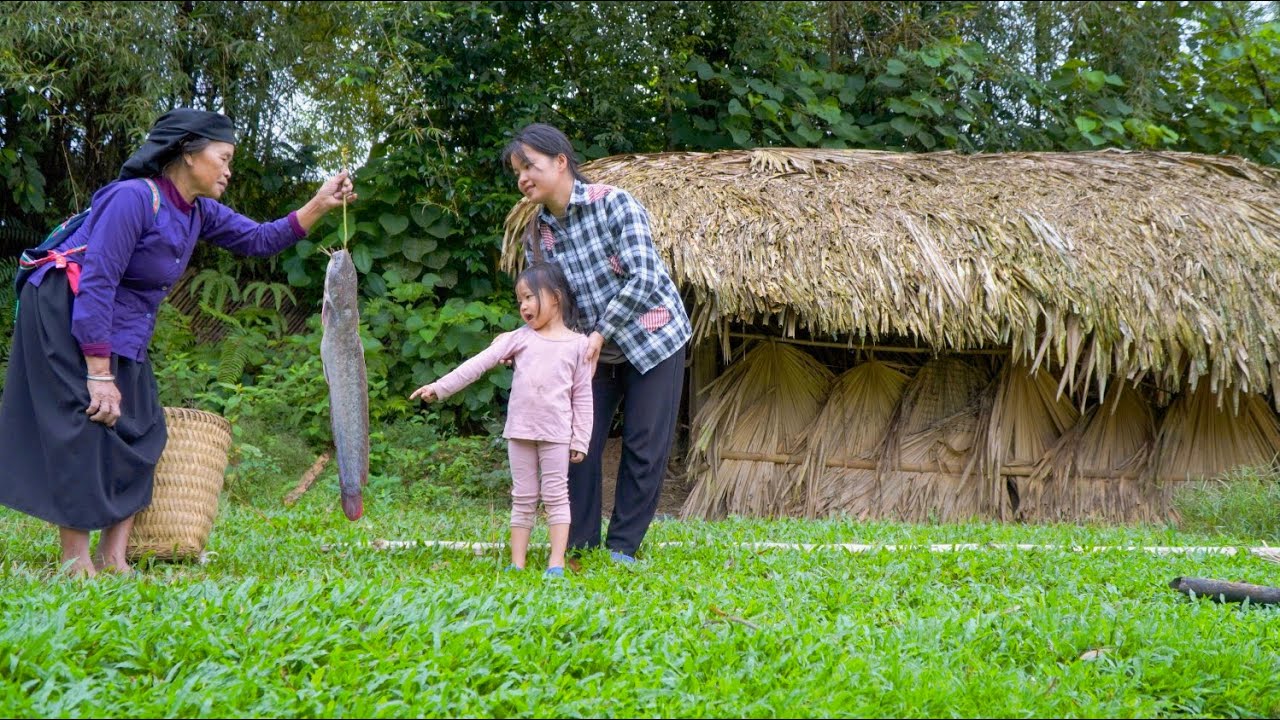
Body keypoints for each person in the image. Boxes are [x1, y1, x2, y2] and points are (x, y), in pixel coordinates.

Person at [0, 108, 357, 577]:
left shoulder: (197, 211)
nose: (229, 170)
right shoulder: (132, 199)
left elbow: (259, 240)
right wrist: (99, 373)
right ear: (189, 154)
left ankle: (113, 557)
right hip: (66, 308)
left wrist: (320, 203)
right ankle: (75, 561)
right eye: (223, 158)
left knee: (144, 429)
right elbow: (98, 282)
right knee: (86, 422)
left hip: (121, 319)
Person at [502, 123, 691, 566]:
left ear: (560, 162)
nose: (523, 178)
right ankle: (580, 543)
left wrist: (601, 331)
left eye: (529, 166)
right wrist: (529, 345)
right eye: (517, 171)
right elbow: (549, 305)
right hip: (590, 351)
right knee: (574, 443)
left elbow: (645, 277)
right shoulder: (537, 236)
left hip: (653, 338)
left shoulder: (614, 204)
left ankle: (623, 547)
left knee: (644, 445)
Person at [411, 262, 592, 577]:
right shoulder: (519, 338)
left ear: (555, 298)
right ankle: (517, 563)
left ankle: (556, 563)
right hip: (520, 431)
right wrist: (440, 388)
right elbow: (478, 364)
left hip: (557, 434)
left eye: (530, 297)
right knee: (522, 498)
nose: (523, 306)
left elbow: (583, 396)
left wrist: (581, 439)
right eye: (520, 299)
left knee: (556, 497)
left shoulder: (579, 345)